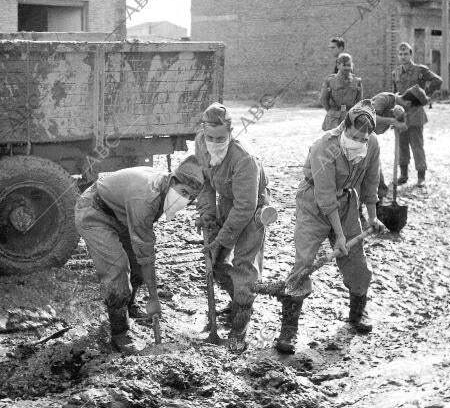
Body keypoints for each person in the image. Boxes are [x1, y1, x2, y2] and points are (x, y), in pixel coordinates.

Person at [274, 100, 386, 355]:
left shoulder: (373, 145)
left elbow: (371, 183)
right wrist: (339, 237)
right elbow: (325, 197)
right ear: (344, 127)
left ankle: (358, 313)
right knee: (304, 263)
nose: (358, 139)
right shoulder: (324, 146)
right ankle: (288, 330)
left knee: (356, 260)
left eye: (363, 136)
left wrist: (372, 217)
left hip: (346, 202)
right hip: (314, 203)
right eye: (353, 134)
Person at [74, 156, 204, 355]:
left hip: (121, 213)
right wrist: (153, 298)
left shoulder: (162, 189)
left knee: (137, 267)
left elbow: (143, 254)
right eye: (183, 192)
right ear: (172, 181)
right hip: (94, 211)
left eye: (190, 197)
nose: (185, 200)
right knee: (117, 268)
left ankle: (129, 306)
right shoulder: (146, 198)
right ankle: (120, 333)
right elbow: (146, 253)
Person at [194, 103, 270, 352]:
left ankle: (239, 327)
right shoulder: (200, 142)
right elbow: (204, 182)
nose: (214, 143)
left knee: (244, 266)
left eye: (220, 138)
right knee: (214, 262)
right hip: (227, 201)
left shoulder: (244, 158)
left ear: (231, 131)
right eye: (210, 137)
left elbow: (245, 208)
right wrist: (207, 214)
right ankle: (237, 300)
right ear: (203, 130)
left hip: (253, 208)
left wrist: (222, 237)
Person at [392, 42, 441, 187]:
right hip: (401, 113)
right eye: (400, 54)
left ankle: (421, 176)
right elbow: (393, 92)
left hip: (416, 112)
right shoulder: (395, 73)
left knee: (417, 145)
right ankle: (404, 174)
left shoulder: (420, 70)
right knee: (401, 145)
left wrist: (425, 96)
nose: (403, 57)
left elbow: (437, 80)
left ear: (411, 54)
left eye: (406, 54)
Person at [369, 85, 425, 200]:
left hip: (369, 138)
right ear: (409, 104)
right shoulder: (385, 98)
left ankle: (379, 203)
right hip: (356, 136)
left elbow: (397, 123)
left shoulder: (398, 109)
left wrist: (399, 124)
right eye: (412, 109)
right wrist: (391, 121)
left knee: (375, 171)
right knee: (364, 172)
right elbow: (368, 116)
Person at [320, 53, 363, 131]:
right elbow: (323, 99)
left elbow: (359, 101)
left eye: (349, 65)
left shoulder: (357, 81)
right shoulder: (330, 81)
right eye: (344, 65)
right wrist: (332, 112)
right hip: (334, 118)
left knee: (350, 141)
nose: (347, 68)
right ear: (338, 66)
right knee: (333, 141)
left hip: (350, 117)